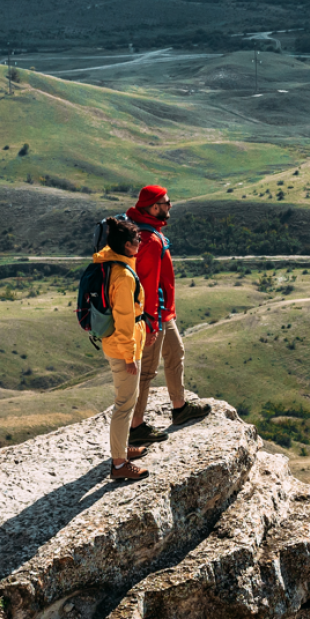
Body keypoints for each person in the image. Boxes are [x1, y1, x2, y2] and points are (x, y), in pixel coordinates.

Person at [125, 185, 210, 446]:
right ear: (153, 207)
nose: (170, 206)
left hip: (163, 313)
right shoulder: (149, 240)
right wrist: (150, 322)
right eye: (165, 203)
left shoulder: (146, 230)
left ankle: (179, 407)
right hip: (153, 315)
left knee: (175, 352)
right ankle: (136, 426)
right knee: (147, 371)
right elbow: (149, 284)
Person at [94, 217, 152, 481]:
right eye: (138, 240)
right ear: (128, 246)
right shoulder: (124, 275)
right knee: (124, 404)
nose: (141, 243)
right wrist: (130, 356)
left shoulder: (112, 265)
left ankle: (123, 448)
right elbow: (125, 319)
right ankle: (119, 465)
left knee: (126, 400)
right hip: (122, 348)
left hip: (118, 344)